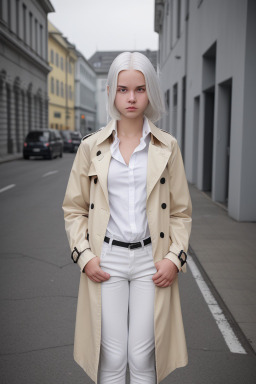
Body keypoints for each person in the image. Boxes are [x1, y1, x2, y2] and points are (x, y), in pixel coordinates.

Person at [62, 51, 192, 384]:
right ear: (111, 92)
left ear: (151, 92)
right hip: (107, 259)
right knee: (113, 356)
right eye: (123, 89)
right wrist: (84, 256)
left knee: (143, 356)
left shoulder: (167, 147)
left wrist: (175, 259)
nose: (131, 98)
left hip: (153, 260)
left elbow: (180, 211)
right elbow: (74, 207)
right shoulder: (91, 147)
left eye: (139, 89)